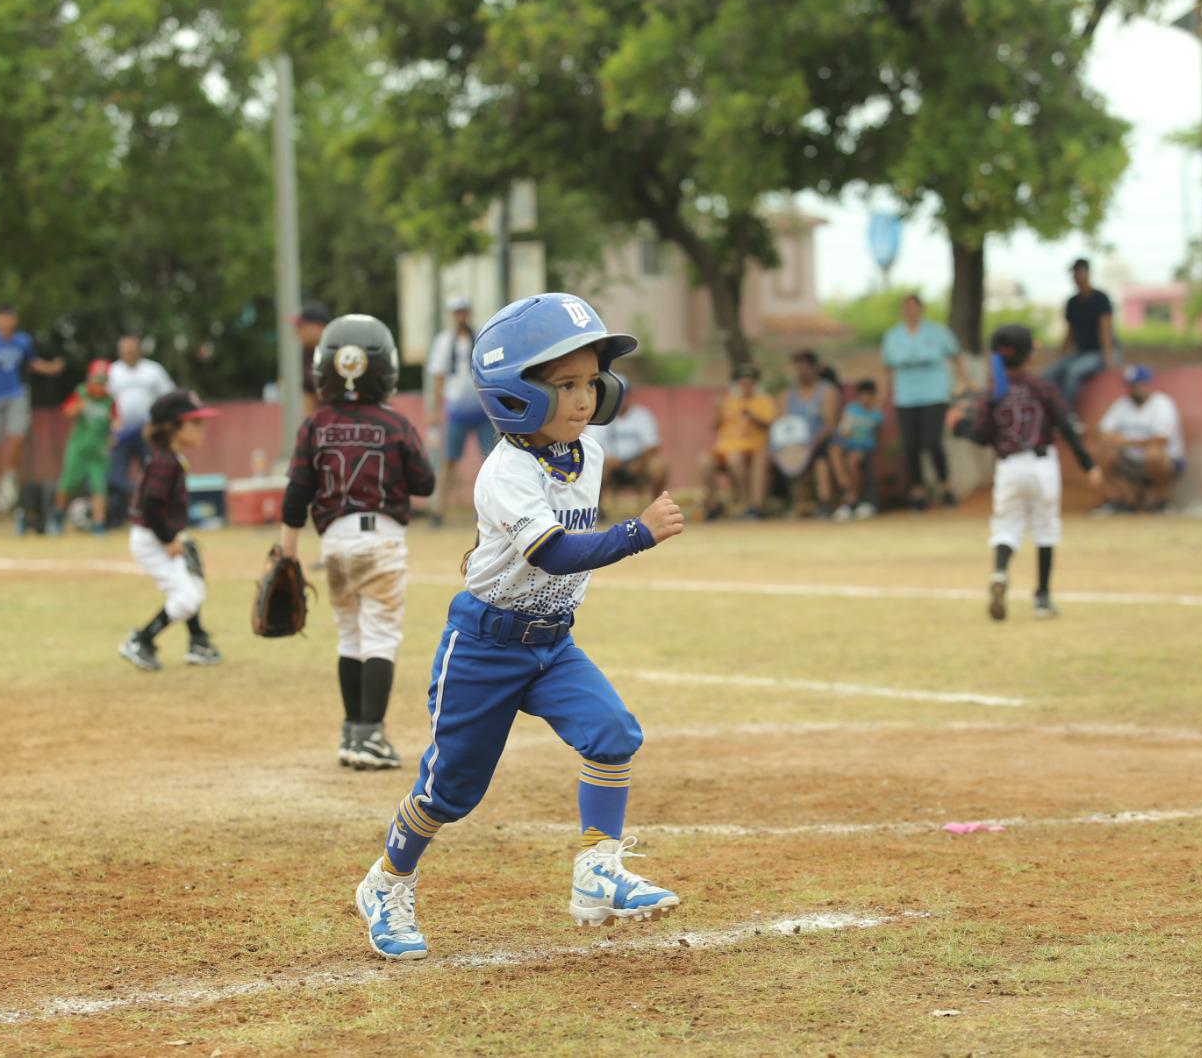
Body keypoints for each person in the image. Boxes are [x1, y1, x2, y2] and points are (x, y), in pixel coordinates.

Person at [354, 292, 685, 961]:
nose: (585, 398)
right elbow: (555, 551)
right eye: (564, 385)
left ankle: (597, 870)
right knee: (451, 791)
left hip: (551, 642)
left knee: (613, 733)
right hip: (484, 646)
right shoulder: (505, 472)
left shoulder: (586, 454)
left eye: (591, 381)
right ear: (515, 395)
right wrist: (637, 534)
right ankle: (386, 882)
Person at [280, 314, 436, 770]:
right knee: (380, 637)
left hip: (334, 542)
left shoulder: (314, 425)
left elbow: (296, 493)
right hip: (381, 539)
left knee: (350, 635)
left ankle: (351, 731)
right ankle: (370, 736)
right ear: (384, 369)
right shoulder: (396, 424)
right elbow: (424, 483)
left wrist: (286, 549)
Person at [965, 325, 1101, 621]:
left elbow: (981, 435)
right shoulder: (1043, 388)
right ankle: (1042, 597)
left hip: (1009, 467)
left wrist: (957, 424)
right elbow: (1066, 426)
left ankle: (1000, 572)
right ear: (1029, 354)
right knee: (1045, 529)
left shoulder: (994, 393)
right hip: (1042, 466)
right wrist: (1088, 464)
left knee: (1006, 528)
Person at [119, 390, 222, 672]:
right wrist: (167, 539)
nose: (203, 428)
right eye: (195, 422)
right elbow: (151, 504)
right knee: (186, 598)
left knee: (193, 584)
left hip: (159, 534)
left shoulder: (171, 458)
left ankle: (198, 641)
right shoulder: (165, 462)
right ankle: (141, 640)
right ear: (173, 427)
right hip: (151, 539)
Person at [0, 304, 64, 513]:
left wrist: (50, 368)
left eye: (10, 318)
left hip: (16, 393)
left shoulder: (22, 341)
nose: (6, 322)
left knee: (18, 436)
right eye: (2, 318)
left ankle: (10, 476)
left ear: (14, 321)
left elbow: (32, 363)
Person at [880, 295, 968, 509]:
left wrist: (963, 381)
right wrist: (884, 395)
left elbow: (957, 355)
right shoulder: (893, 336)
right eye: (906, 307)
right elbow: (886, 367)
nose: (910, 311)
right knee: (910, 446)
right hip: (906, 397)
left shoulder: (937, 332)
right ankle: (917, 491)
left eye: (914, 307)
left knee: (933, 442)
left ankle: (945, 487)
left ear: (921, 309)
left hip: (934, 395)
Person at [425, 298, 495, 517]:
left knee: (492, 461)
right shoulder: (445, 341)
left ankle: (488, 510)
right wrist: (434, 409)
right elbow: (438, 376)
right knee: (449, 460)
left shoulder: (481, 338)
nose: (460, 316)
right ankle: (439, 510)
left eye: (463, 311)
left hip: (482, 408)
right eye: (457, 312)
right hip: (457, 409)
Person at [1093, 365, 1185, 513]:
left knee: (1154, 453)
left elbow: (1160, 440)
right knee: (1104, 451)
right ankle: (1117, 500)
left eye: (1139, 384)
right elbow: (1102, 433)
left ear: (1149, 384)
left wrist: (1124, 441)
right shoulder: (1122, 404)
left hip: (1166, 462)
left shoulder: (1162, 404)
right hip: (1131, 460)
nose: (1136, 389)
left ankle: (1162, 502)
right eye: (1132, 385)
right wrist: (1135, 442)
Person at [106, 334, 175, 520]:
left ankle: (157, 514)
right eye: (125, 351)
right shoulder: (112, 372)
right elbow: (103, 403)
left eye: (132, 350)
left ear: (139, 351)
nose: (129, 354)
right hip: (121, 433)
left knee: (156, 473)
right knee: (115, 476)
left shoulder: (153, 370)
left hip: (148, 432)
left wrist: (160, 425)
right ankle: (121, 515)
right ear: (119, 352)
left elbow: (168, 398)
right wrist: (110, 428)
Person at [701, 362, 778, 520]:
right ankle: (714, 504)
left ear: (755, 383)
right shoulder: (728, 401)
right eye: (742, 381)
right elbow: (714, 426)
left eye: (749, 381)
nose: (745, 385)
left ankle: (748, 504)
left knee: (734, 458)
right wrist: (717, 411)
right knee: (704, 461)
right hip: (725, 447)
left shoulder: (764, 401)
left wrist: (752, 417)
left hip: (752, 446)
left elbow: (770, 424)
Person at [52, 360, 118, 535]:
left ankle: (98, 525)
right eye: (97, 380)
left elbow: (117, 423)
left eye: (103, 380)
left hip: (98, 452)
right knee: (67, 484)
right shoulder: (81, 392)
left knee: (99, 486)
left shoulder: (110, 400)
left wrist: (113, 437)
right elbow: (66, 412)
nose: (100, 384)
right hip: (78, 448)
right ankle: (57, 518)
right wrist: (80, 405)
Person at [1043, 258, 1116, 408]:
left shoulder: (1100, 299)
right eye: (1074, 273)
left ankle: (1065, 412)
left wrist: (1108, 360)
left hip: (1098, 353)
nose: (1076, 277)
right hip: (1080, 353)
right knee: (1050, 373)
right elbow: (1070, 333)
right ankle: (1049, 410)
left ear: (1087, 273)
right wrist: (1060, 357)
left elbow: (1105, 331)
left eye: (1078, 272)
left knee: (1073, 372)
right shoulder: (1072, 302)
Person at [785, 349, 843, 515]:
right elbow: (782, 424)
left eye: (805, 365)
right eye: (798, 366)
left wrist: (813, 442)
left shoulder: (827, 391)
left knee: (821, 460)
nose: (801, 370)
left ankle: (825, 502)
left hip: (822, 440)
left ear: (815, 368)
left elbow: (830, 424)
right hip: (796, 444)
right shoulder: (788, 394)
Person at [588, 396, 667, 514]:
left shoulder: (642, 415)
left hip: (638, 462)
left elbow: (652, 445)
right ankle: (597, 510)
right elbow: (590, 444)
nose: (621, 400)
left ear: (629, 397)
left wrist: (640, 462)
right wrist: (606, 459)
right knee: (594, 467)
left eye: (624, 396)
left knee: (658, 466)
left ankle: (656, 508)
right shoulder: (600, 416)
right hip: (609, 463)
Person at [830, 379, 884, 520]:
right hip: (848, 446)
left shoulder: (876, 415)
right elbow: (843, 431)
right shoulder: (851, 410)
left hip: (864, 449)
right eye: (863, 395)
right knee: (834, 450)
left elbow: (878, 437)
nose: (866, 399)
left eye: (869, 395)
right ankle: (844, 481)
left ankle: (851, 497)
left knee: (854, 459)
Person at [294, 300, 333, 414]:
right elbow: (309, 398)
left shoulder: (340, 354)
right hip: (324, 425)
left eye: (301, 326)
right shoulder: (307, 354)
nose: (296, 331)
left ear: (318, 327)